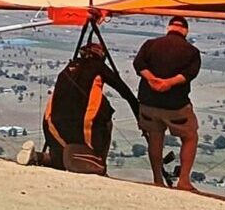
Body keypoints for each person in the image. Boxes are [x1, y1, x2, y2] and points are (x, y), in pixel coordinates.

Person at [21, 34, 133, 175]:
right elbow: (125, 92)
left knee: (59, 159)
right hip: (83, 125)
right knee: (106, 119)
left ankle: (38, 157)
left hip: (52, 123)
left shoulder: (69, 67)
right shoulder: (98, 67)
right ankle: (99, 164)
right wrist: (139, 113)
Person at [132, 16, 202, 191]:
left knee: (155, 138)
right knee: (190, 136)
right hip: (175, 106)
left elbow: (138, 63)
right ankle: (184, 181)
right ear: (185, 31)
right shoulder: (191, 51)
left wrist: (152, 79)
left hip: (148, 103)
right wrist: (169, 83)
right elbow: (189, 74)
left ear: (168, 28)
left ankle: (157, 179)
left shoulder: (150, 44)